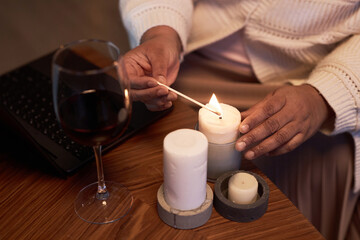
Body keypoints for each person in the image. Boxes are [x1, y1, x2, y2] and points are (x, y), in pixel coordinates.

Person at [119, 1, 360, 239]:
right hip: (187, 59)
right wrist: (161, 32)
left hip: (305, 81)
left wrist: (323, 95)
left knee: (314, 172)